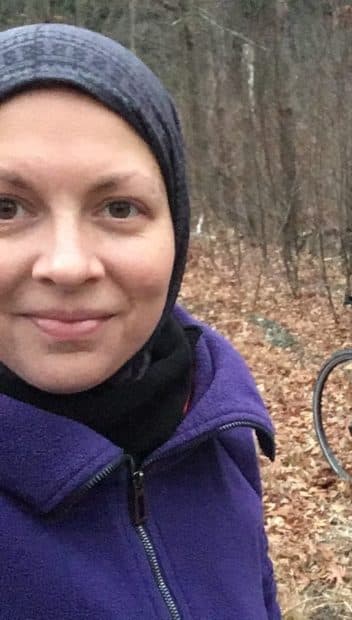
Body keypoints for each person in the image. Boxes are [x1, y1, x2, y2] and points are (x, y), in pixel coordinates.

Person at [0, 23, 280, 620]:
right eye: (6, 208)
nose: (68, 265)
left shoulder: (215, 427)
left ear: (175, 231)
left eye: (120, 208)